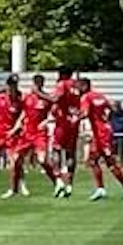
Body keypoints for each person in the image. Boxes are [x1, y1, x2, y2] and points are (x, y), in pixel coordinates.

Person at [77, 77, 123, 202]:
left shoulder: (86, 97)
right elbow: (111, 108)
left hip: (101, 134)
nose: (77, 89)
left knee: (110, 162)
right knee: (93, 160)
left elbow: (85, 113)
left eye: (79, 86)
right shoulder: (100, 95)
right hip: (104, 130)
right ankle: (100, 189)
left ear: (85, 86)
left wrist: (75, 117)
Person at [8, 74, 64, 199]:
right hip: (27, 134)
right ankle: (14, 189)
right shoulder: (27, 98)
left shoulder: (47, 99)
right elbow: (23, 113)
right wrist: (15, 128)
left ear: (42, 84)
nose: (37, 84)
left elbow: (55, 113)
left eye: (40, 82)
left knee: (42, 160)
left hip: (39, 134)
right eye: (36, 82)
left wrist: (46, 121)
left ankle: (57, 182)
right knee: (16, 159)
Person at [47, 65, 82, 195]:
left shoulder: (62, 84)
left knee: (56, 150)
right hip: (74, 122)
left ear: (61, 74)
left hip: (63, 122)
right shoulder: (77, 85)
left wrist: (40, 94)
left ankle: (59, 181)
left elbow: (56, 98)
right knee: (70, 153)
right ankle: (69, 185)